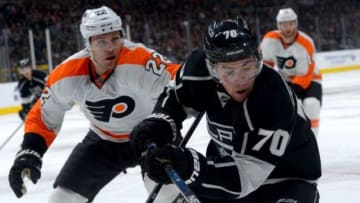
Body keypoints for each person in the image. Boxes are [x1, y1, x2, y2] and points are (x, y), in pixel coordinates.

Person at [130, 17, 321, 202]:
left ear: (258, 60)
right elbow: (174, 101)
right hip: (227, 172)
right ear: (212, 68)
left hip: (287, 178)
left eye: (247, 67)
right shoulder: (196, 72)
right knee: (162, 185)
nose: (240, 79)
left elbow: (245, 176)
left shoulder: (272, 96)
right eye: (229, 71)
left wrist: (189, 166)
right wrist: (158, 124)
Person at [8, 5, 179, 202]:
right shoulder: (68, 74)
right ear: (88, 45)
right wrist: (30, 151)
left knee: (168, 197)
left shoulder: (140, 59)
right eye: (101, 41)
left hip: (150, 136)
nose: (111, 47)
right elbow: (44, 115)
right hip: (103, 140)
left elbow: (179, 83)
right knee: (61, 199)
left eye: (115, 38)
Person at [260, 8, 322, 137]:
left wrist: (290, 93)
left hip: (310, 80)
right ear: (278, 25)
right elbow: (265, 65)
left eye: (290, 23)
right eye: (284, 24)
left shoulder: (306, 43)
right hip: (286, 80)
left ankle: (311, 140)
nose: (287, 28)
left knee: (311, 104)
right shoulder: (269, 40)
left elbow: (306, 74)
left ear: (296, 24)